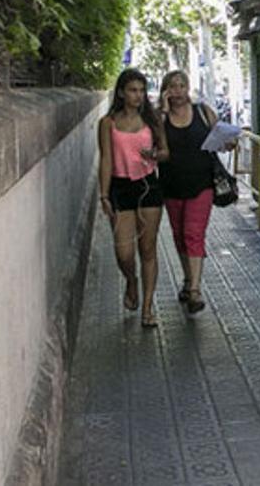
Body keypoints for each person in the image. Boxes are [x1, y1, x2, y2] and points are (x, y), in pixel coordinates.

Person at [98, 69, 169, 328]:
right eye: (132, 90)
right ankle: (131, 281)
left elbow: (165, 153)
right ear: (121, 92)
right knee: (124, 252)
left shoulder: (152, 120)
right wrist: (103, 193)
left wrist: (154, 155)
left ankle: (147, 309)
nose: (138, 95)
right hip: (119, 188)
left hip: (148, 186)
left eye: (141, 90)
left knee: (147, 249)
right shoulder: (108, 123)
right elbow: (106, 159)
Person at [157, 70, 224, 314]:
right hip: (171, 185)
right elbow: (156, 144)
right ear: (165, 91)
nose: (177, 92)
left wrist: (230, 141)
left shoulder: (203, 112)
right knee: (179, 236)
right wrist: (163, 112)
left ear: (188, 88)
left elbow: (221, 137)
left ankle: (195, 289)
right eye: (172, 87)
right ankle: (187, 280)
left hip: (202, 183)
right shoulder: (159, 118)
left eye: (181, 86)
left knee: (193, 233)